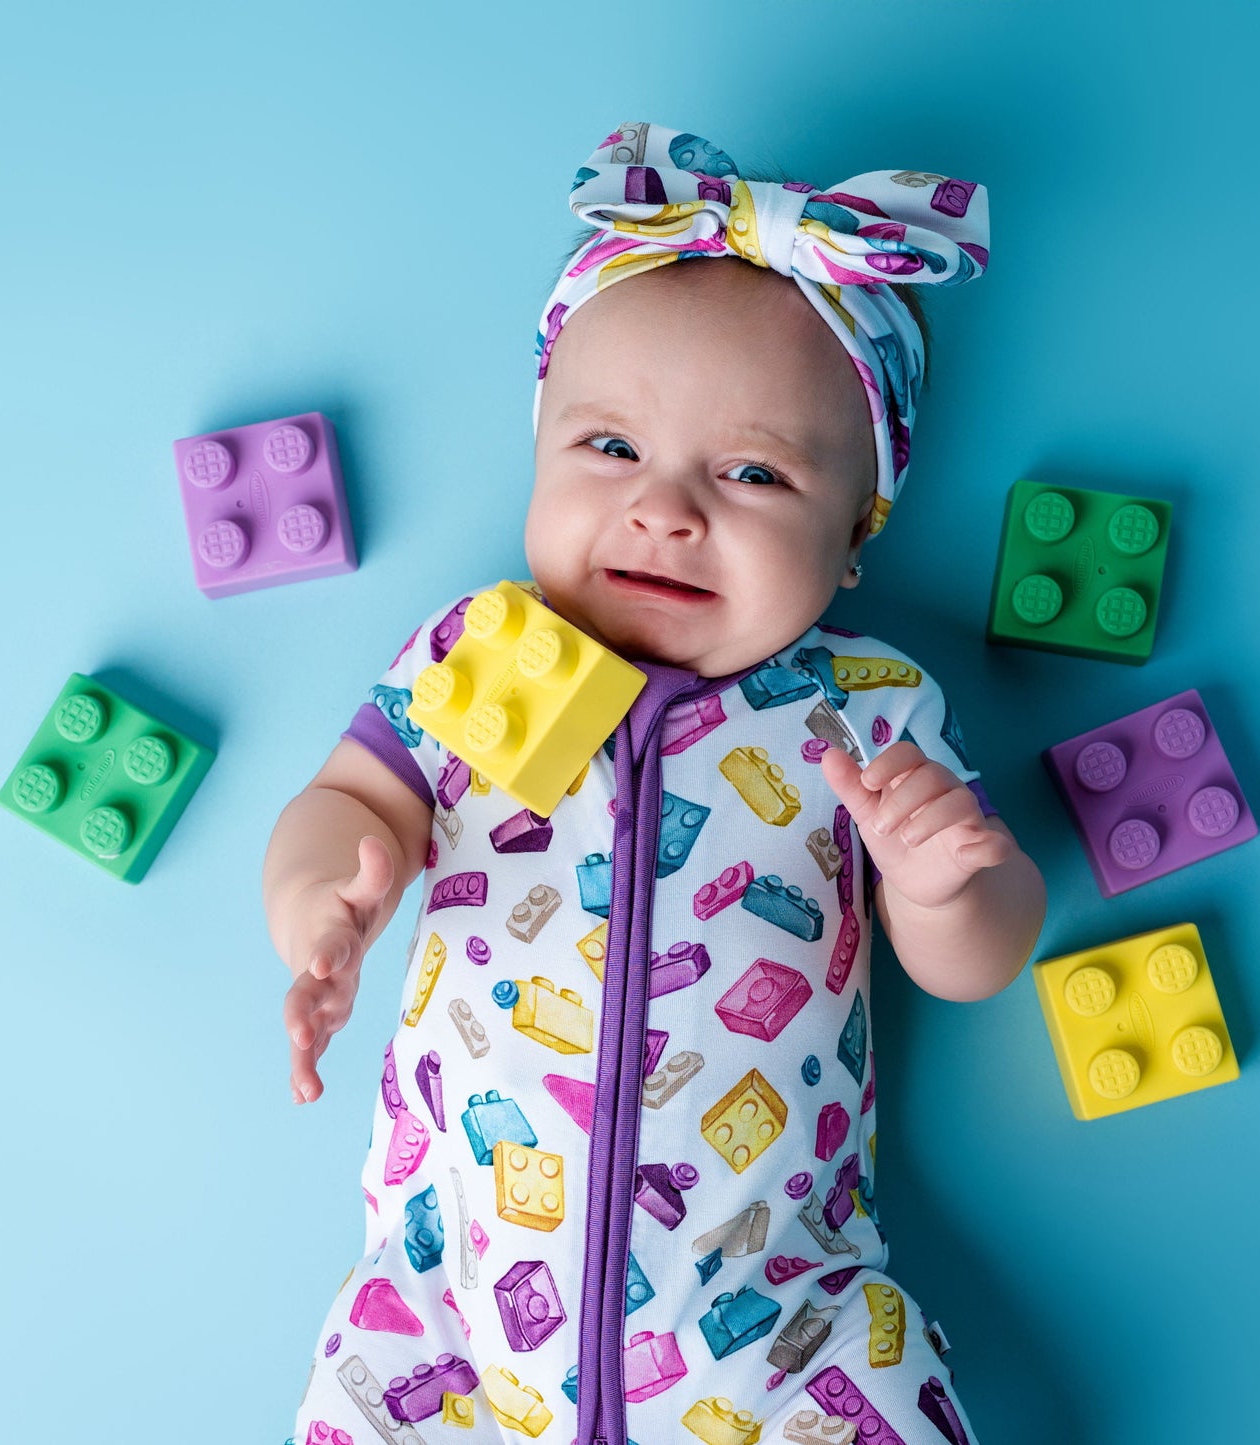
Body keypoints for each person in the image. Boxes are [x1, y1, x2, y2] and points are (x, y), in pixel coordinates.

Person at [266, 120, 1045, 1445]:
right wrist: (323, 896)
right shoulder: (477, 653)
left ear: (852, 538)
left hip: (774, 1319)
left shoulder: (863, 710)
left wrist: (944, 884)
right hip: (450, 1318)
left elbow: (977, 956)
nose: (666, 509)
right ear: (539, 457)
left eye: (751, 473)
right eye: (608, 449)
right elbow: (349, 800)